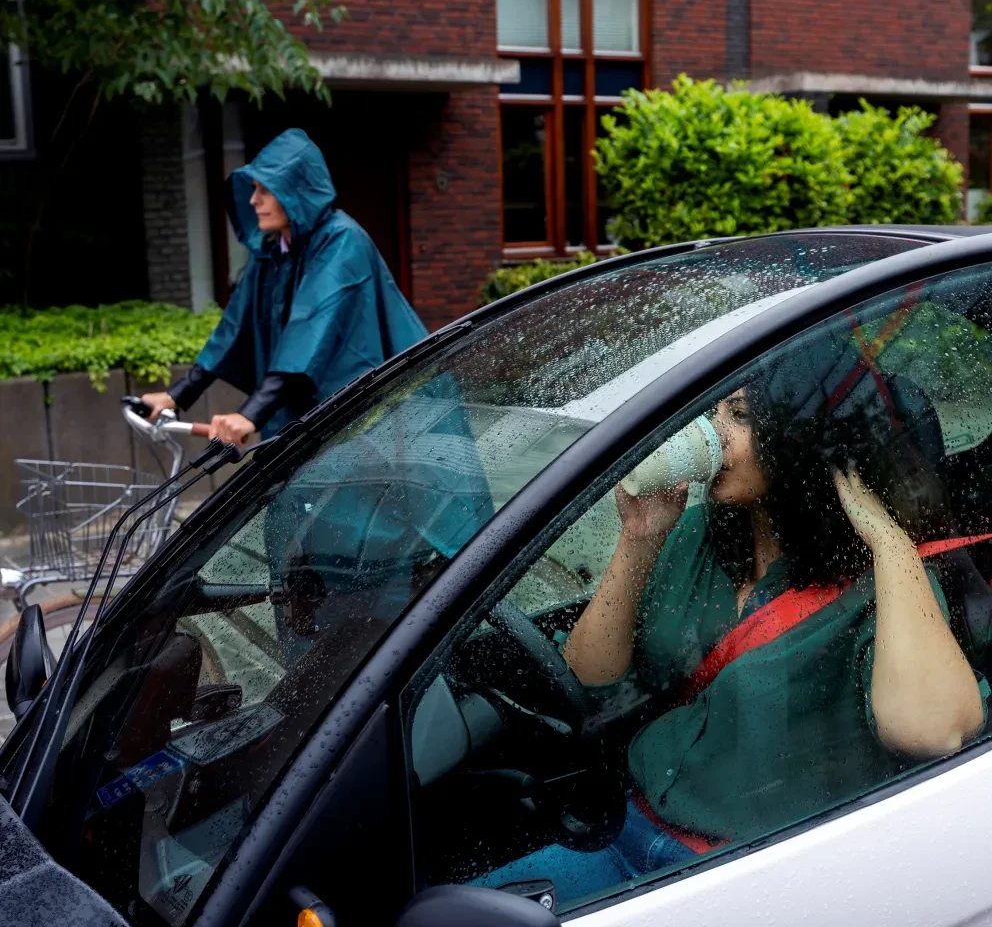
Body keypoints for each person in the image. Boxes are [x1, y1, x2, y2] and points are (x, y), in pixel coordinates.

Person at [477, 331, 988, 903]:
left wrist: (887, 540)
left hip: (735, 880)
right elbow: (586, 681)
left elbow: (934, 731)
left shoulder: (883, 590)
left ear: (801, 437)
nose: (712, 433)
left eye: (739, 416)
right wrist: (640, 538)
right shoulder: (699, 537)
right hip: (623, 830)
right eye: (714, 410)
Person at [143, 128, 427, 443]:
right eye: (253, 189)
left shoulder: (341, 241)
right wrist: (178, 394)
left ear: (296, 192)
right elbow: (234, 326)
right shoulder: (274, 250)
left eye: (266, 189)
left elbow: (310, 329)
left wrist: (250, 414)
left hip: (356, 419)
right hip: (297, 417)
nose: (253, 200)